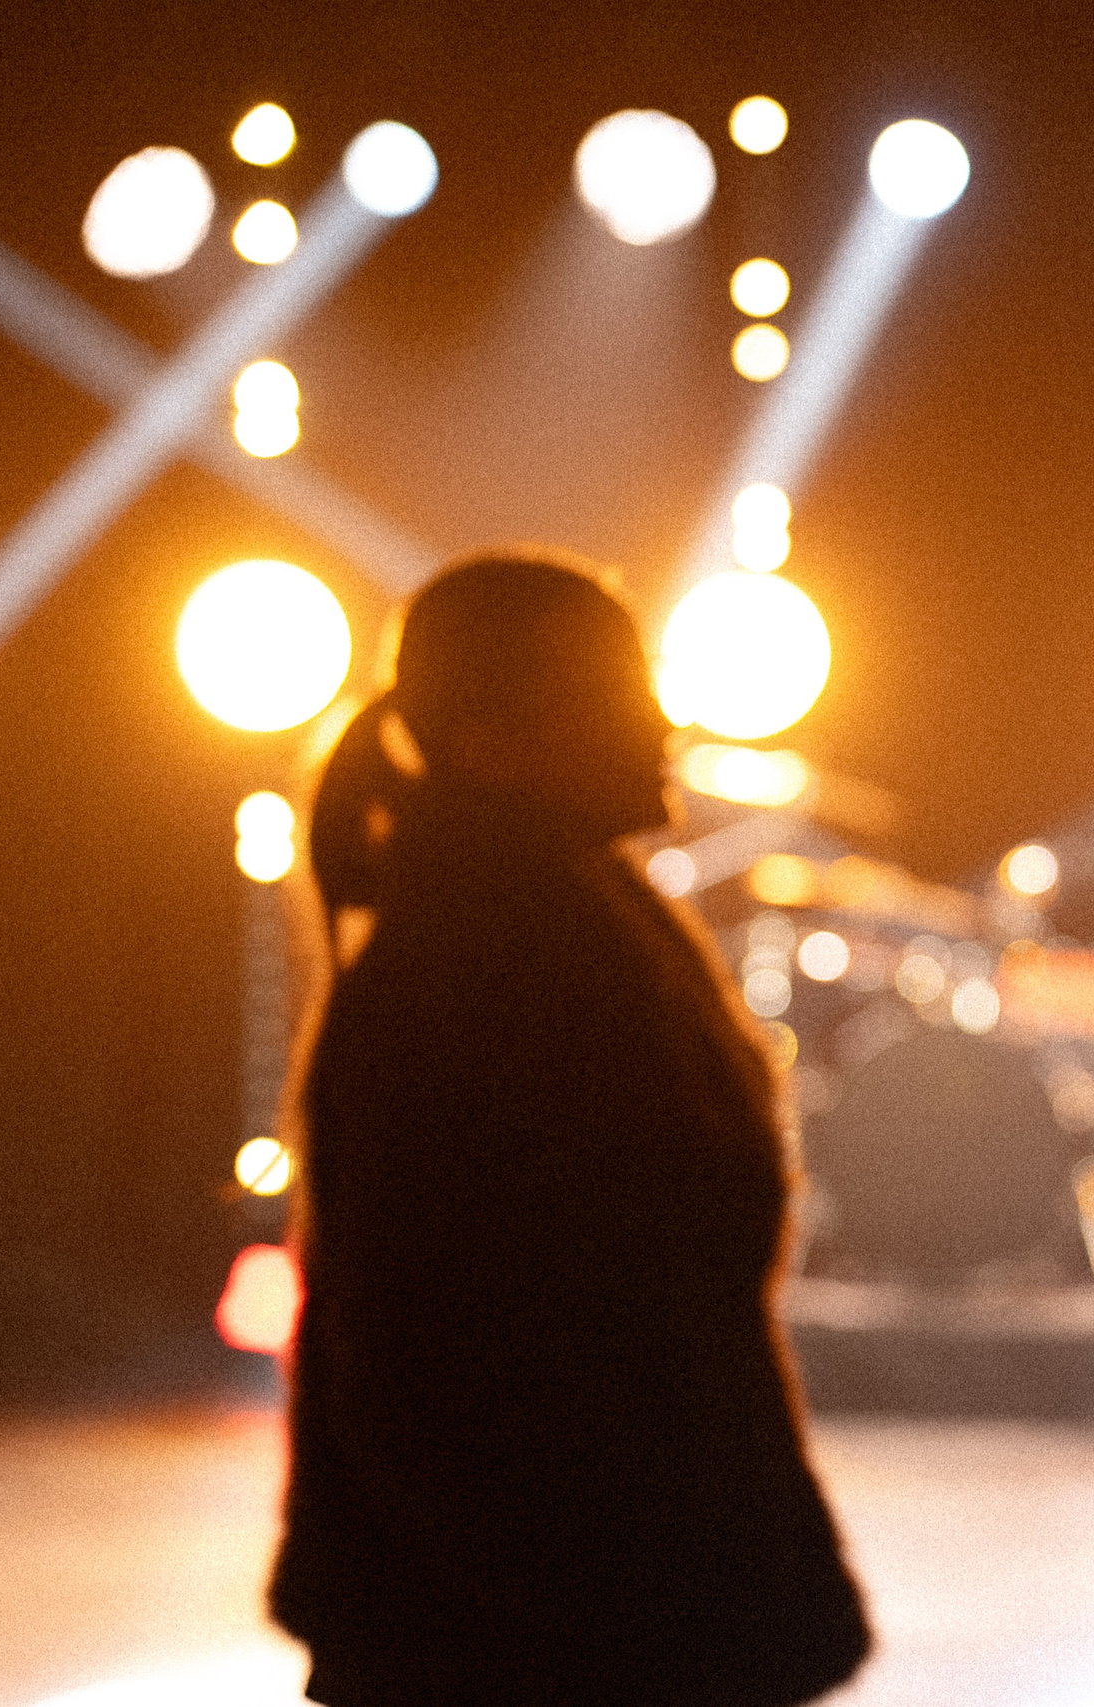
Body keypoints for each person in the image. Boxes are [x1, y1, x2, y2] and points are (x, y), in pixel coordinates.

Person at [268, 554, 871, 1706]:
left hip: (544, 1616)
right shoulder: (495, 959)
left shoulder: (538, 928)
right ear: (493, 741)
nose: (663, 720)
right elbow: (429, 1351)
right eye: (617, 690)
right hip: (549, 1630)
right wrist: (593, 1624)